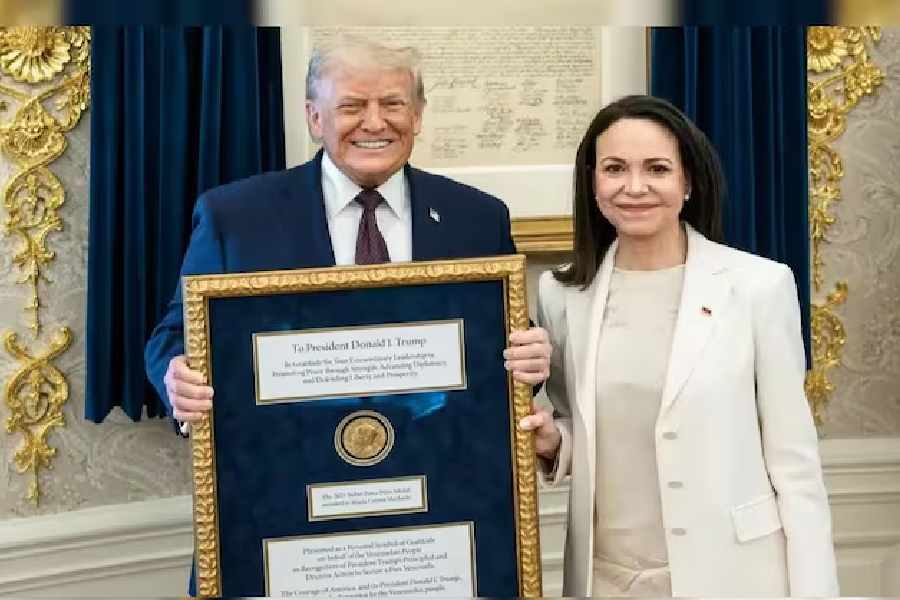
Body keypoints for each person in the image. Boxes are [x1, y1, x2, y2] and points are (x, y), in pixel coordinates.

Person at [518, 95, 838, 597]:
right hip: (604, 576)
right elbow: (579, 426)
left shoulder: (758, 286)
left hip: (732, 573)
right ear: (592, 182)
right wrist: (552, 443)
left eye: (658, 169)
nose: (635, 186)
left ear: (688, 181)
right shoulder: (561, 293)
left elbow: (795, 464)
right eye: (615, 168)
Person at [144, 38, 550, 425]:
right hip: (287, 470)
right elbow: (176, 336)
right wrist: (177, 376)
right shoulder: (234, 218)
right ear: (315, 117)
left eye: (393, 104)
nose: (375, 123)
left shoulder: (477, 218)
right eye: (352, 106)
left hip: (440, 465)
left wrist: (531, 359)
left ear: (418, 115)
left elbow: (504, 344)